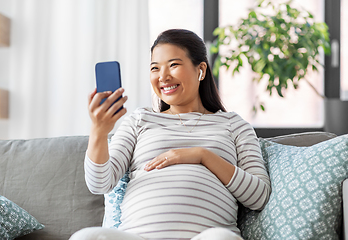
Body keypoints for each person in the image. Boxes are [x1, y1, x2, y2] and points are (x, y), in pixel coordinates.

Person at [70, 29, 271, 240]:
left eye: (173, 65)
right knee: (86, 237)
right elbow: (99, 183)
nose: (163, 77)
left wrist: (202, 155)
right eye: (155, 68)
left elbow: (259, 196)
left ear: (200, 69)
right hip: (138, 237)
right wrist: (98, 132)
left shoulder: (234, 125)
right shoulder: (140, 120)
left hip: (207, 237)